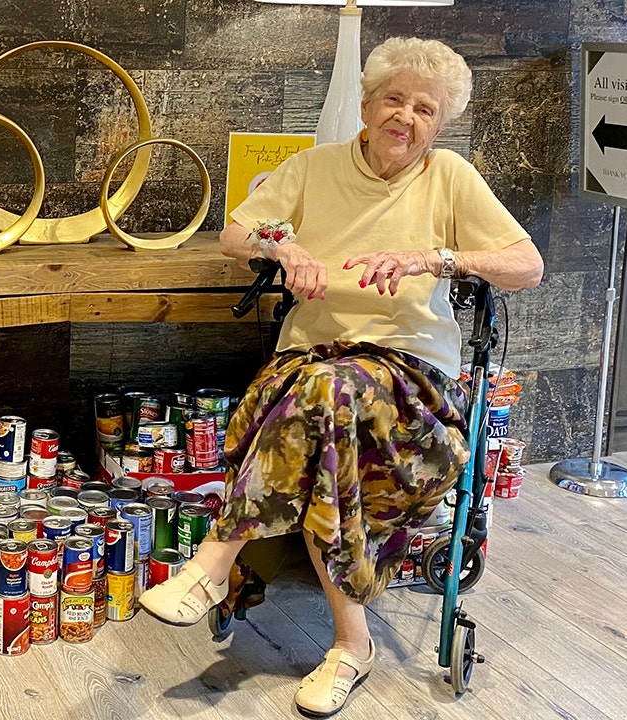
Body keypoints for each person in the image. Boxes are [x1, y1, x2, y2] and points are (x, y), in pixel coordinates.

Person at [138, 37, 543, 717]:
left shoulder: (449, 177)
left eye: (425, 108)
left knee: (328, 395)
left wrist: (434, 259)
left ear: (438, 124)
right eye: (394, 98)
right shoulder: (313, 168)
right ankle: (352, 644)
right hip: (311, 370)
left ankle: (214, 562)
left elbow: (526, 265)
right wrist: (285, 243)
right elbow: (236, 235)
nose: (406, 117)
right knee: (325, 398)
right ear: (366, 101)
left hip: (410, 381)